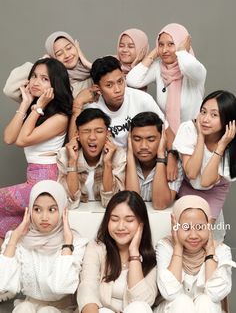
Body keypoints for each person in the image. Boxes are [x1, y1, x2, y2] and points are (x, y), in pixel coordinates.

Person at [0, 58, 73, 245]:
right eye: (33, 76)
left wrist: (38, 106)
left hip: (46, 181)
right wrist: (25, 104)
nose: (35, 82)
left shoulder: (60, 117)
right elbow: (8, 138)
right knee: (8, 224)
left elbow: (22, 140)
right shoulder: (36, 111)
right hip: (33, 178)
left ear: (55, 84)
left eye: (44, 79)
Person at [69, 56, 178, 180]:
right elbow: (72, 143)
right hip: (111, 164)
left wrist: (172, 157)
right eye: (109, 85)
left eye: (120, 81)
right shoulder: (92, 107)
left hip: (142, 161)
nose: (118, 89)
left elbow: (167, 131)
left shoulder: (142, 99)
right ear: (97, 89)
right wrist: (77, 104)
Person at [0, 180, 88, 312]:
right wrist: (14, 239)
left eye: (52, 209)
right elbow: (3, 284)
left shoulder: (76, 243)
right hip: (29, 305)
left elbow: (61, 287)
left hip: (62, 309)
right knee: (24, 308)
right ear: (29, 211)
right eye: (37, 209)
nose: (44, 217)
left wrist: (67, 244)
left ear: (64, 211)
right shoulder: (20, 240)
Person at [77, 190, 157, 313]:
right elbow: (87, 288)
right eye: (114, 219)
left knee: (139, 307)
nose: (120, 227)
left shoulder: (150, 258)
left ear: (141, 224)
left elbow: (143, 303)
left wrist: (134, 254)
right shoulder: (96, 248)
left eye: (129, 220)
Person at [155, 195, 236, 313]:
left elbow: (215, 294)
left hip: (207, 309)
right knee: (182, 302)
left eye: (200, 227)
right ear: (175, 226)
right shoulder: (165, 246)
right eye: (186, 228)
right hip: (172, 309)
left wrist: (210, 252)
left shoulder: (221, 250)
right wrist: (178, 248)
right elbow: (170, 293)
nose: (193, 235)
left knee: (205, 301)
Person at [126, 23, 207, 134]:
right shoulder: (159, 67)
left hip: (193, 136)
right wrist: (154, 54)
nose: (164, 50)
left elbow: (188, 66)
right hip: (167, 137)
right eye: (161, 45)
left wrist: (182, 50)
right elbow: (132, 80)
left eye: (171, 44)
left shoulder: (195, 71)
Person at [173, 90, 236, 223]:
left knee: (203, 233)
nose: (205, 119)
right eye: (203, 111)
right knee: (183, 228)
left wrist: (221, 145)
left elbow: (206, 181)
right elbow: (191, 173)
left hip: (214, 190)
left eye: (214, 115)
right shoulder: (189, 129)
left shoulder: (232, 145)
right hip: (188, 185)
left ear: (228, 120)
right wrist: (200, 136)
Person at [57, 108, 126, 208]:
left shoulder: (118, 155)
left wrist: (108, 163)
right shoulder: (64, 155)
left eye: (99, 131)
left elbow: (110, 203)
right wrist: (72, 161)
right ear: (77, 135)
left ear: (107, 134)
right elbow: (71, 202)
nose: (92, 137)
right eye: (86, 131)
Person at [3, 31, 92, 101]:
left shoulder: (96, 72)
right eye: (59, 54)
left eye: (69, 48)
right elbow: (10, 90)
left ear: (76, 47)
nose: (67, 55)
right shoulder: (53, 84)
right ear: (53, 57)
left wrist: (88, 64)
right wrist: (41, 64)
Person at [126, 112, 183, 209]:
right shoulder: (121, 160)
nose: (143, 146)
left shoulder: (173, 164)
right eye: (137, 139)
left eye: (151, 140)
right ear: (130, 139)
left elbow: (160, 205)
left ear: (162, 139)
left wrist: (161, 156)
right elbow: (131, 204)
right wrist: (130, 155)